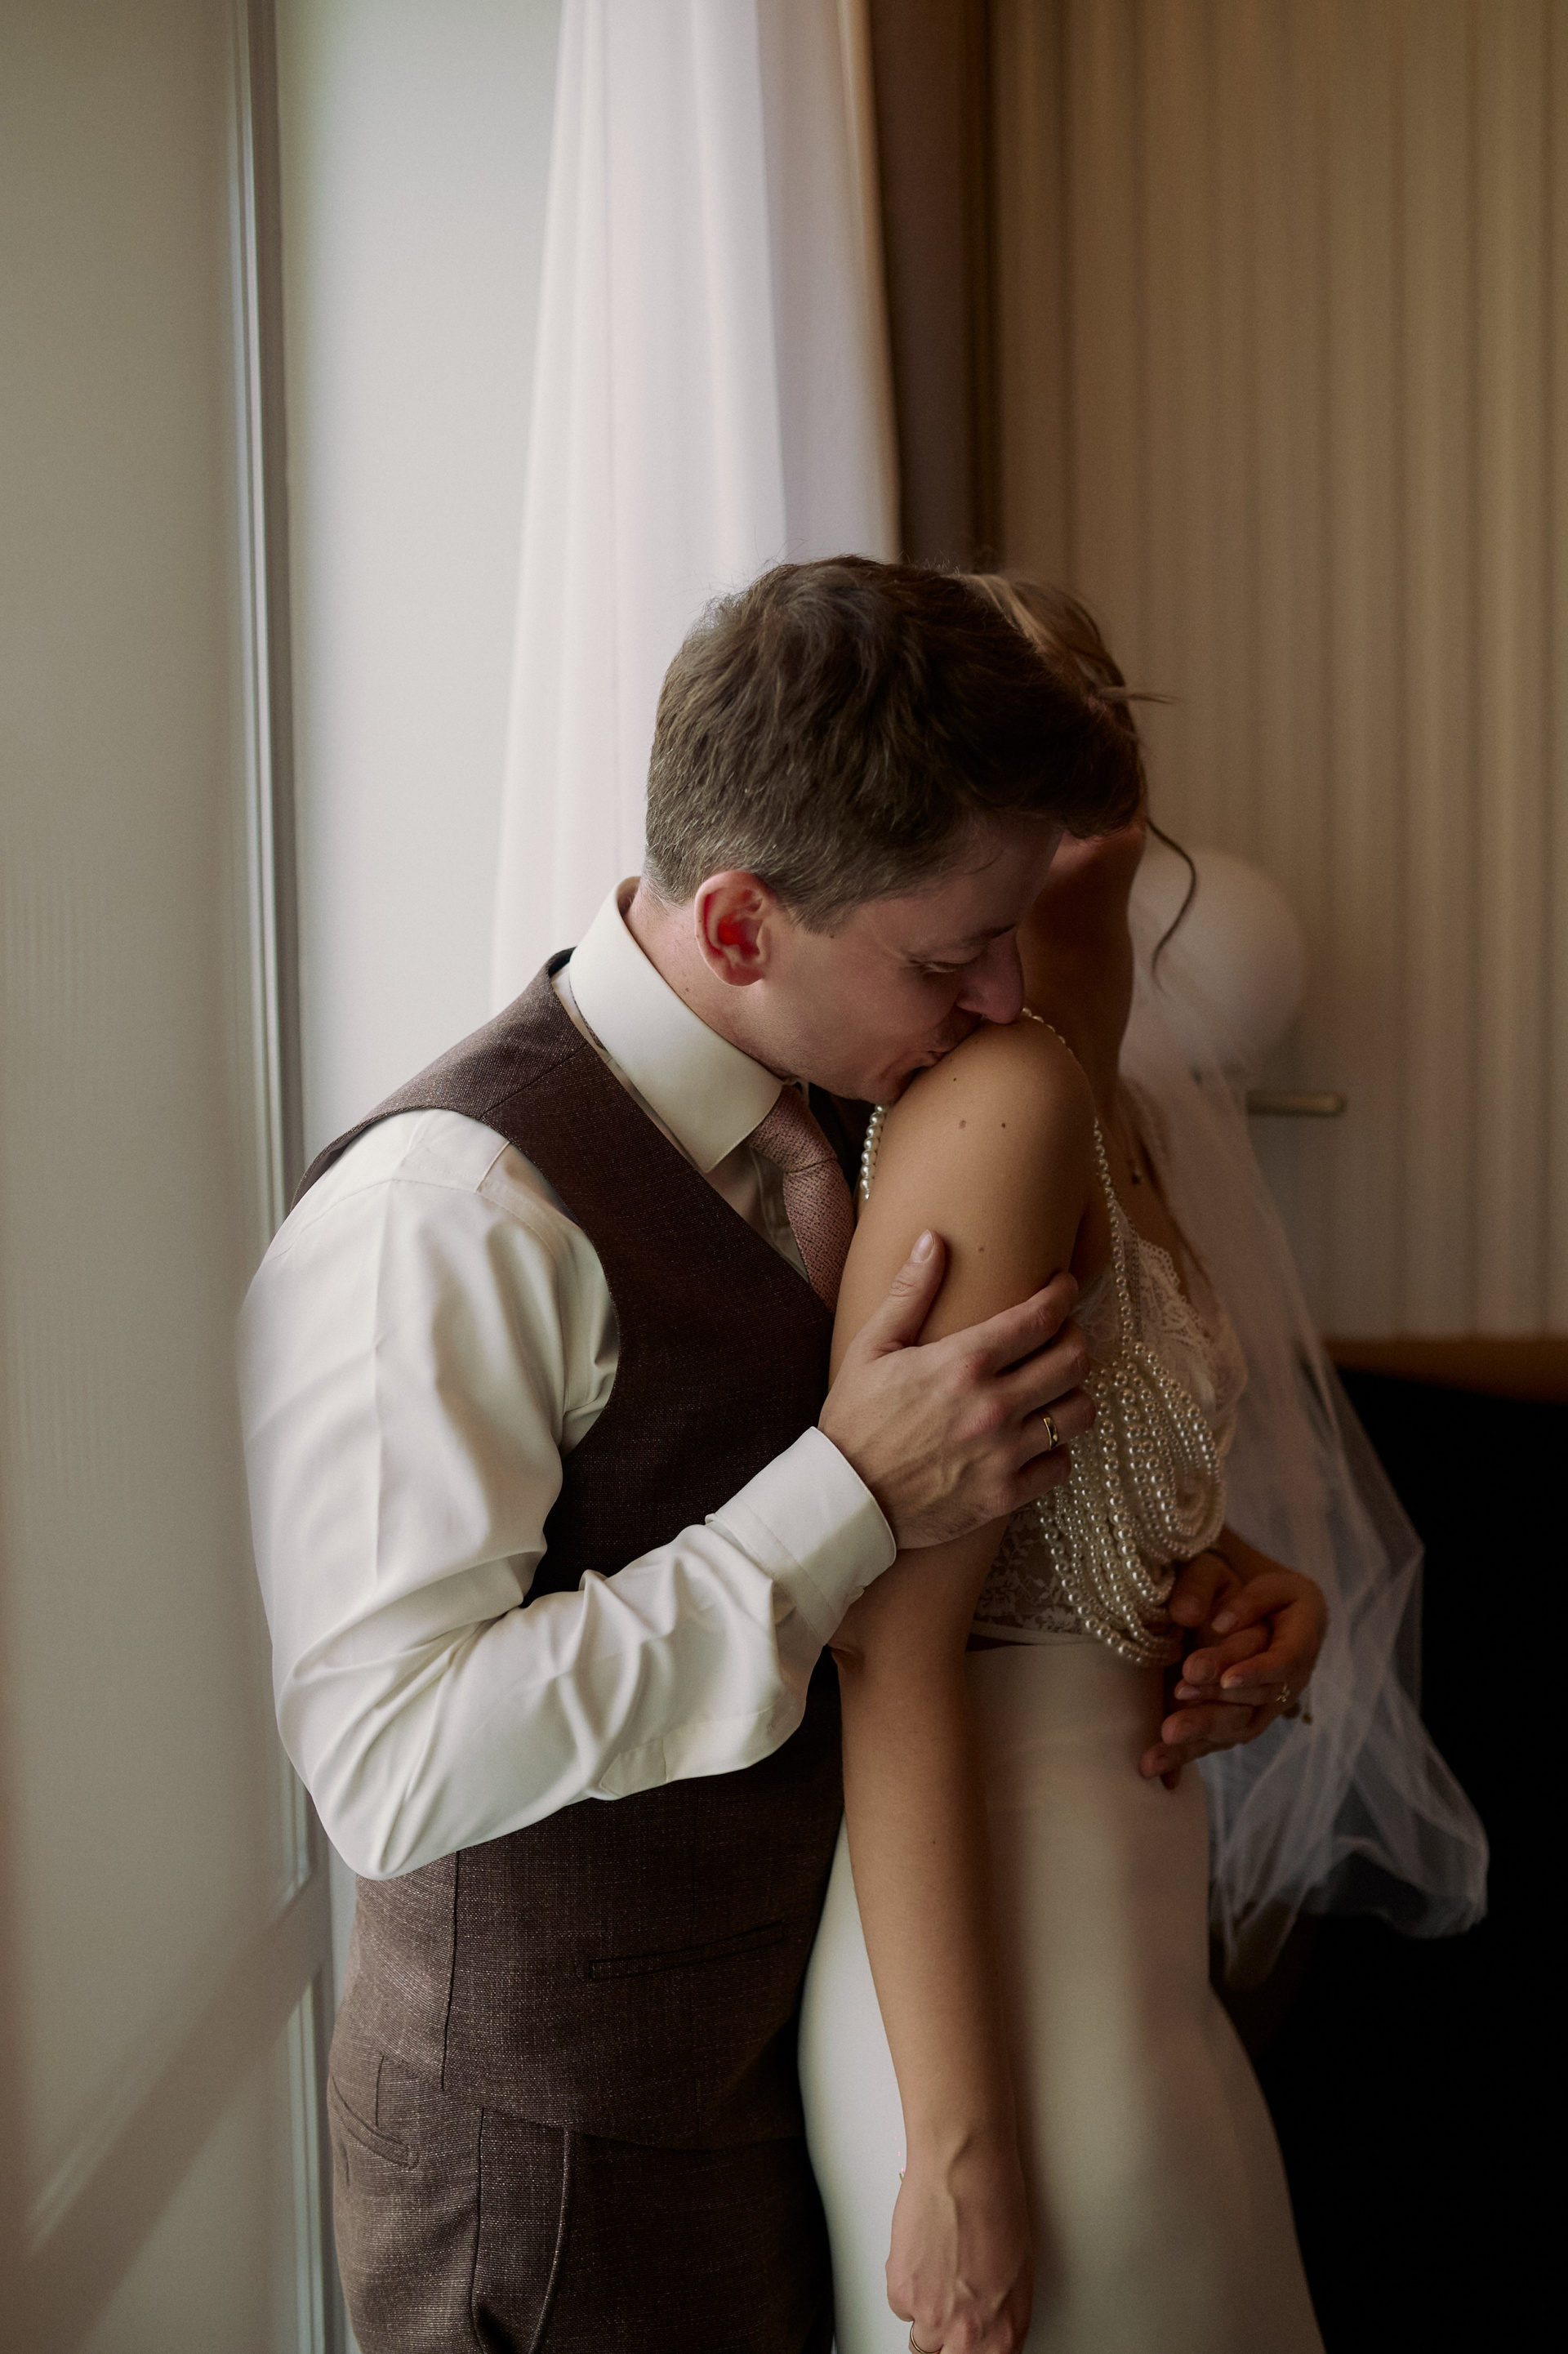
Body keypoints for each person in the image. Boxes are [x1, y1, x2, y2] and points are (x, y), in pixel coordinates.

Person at [800, 582, 1332, 2353]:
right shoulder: (1000, 1103)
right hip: (1011, 1992)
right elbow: (891, 1639)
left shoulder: (1117, 1102)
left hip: (1136, 1952)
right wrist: (957, 2149)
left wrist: (1244, 1596)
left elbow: (1079, 1506)